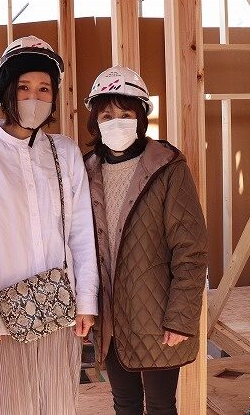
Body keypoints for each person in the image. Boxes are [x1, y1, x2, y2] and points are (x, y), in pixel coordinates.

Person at [83, 66, 208, 415]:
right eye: (107, 115)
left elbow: (191, 251)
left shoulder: (167, 168)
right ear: (95, 121)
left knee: (160, 406)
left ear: (141, 117)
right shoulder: (86, 170)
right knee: (124, 404)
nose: (116, 122)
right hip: (111, 317)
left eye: (125, 114)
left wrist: (180, 317)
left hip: (158, 315)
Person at [0, 36, 99, 414]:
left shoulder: (63, 150)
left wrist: (86, 300)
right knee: (8, 406)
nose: (33, 97)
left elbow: (81, 231)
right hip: (3, 313)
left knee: (58, 404)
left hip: (59, 308)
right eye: (23, 87)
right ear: (5, 90)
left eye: (43, 89)